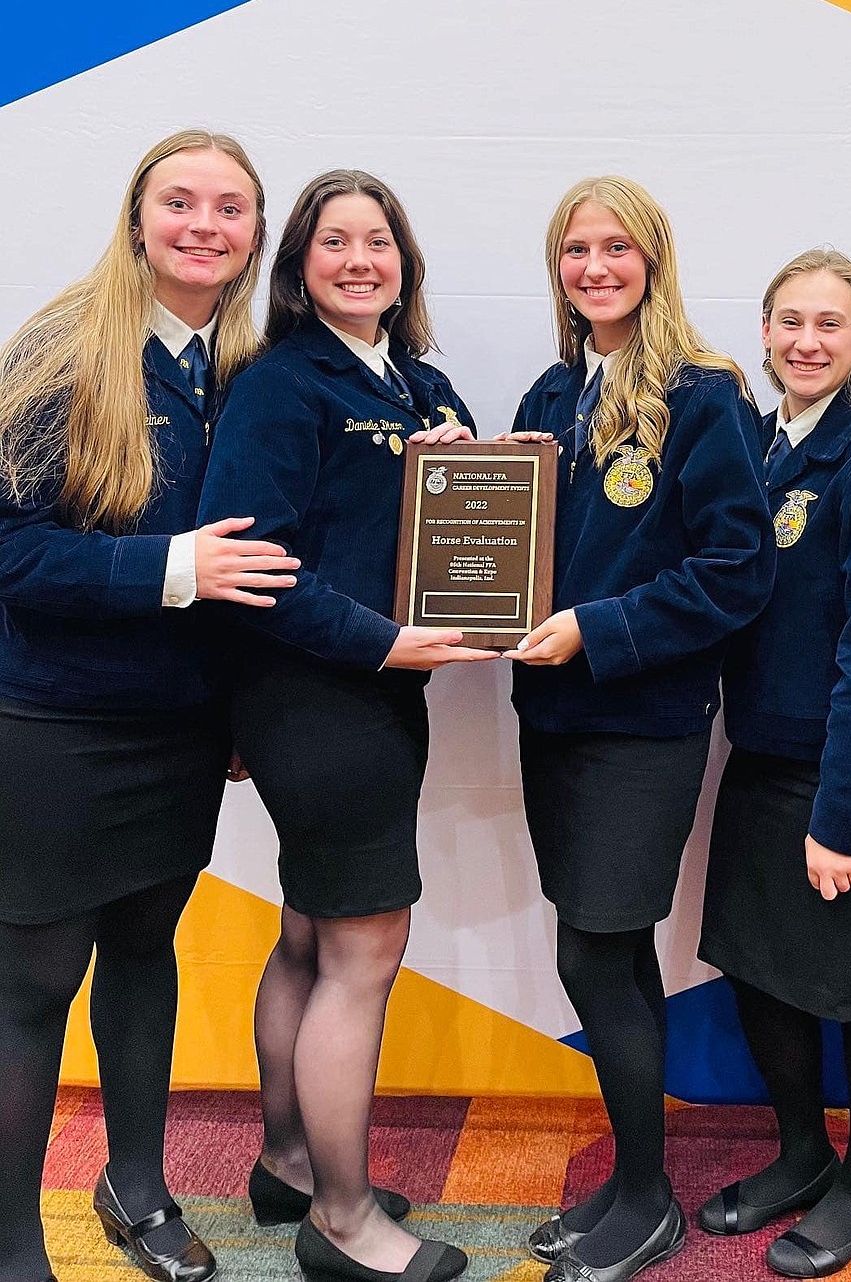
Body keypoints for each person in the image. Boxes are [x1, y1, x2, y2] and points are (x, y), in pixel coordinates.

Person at [0, 130, 299, 1282]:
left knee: (143, 948)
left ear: (254, 235)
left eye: (230, 208)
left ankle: (135, 1184)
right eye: (181, 202)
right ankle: (14, 1236)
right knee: (29, 987)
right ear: (138, 218)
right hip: (54, 729)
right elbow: (12, 549)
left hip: (181, 733)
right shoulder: (64, 346)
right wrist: (171, 567)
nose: (203, 226)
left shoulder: (251, 364)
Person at [197, 169, 495, 1282]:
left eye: (379, 240)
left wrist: (478, 469)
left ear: (404, 260)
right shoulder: (283, 384)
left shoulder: (419, 383)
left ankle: (285, 1160)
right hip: (316, 699)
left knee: (312, 936)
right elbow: (253, 566)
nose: (360, 258)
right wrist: (380, 641)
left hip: (370, 700)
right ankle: (342, 1214)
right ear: (299, 264)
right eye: (336, 242)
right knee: (364, 951)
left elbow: (465, 522)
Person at [502, 175, 775, 1282]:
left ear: (652, 259)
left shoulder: (701, 395)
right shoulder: (548, 392)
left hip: (642, 722)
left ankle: (650, 1196)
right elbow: (511, 545)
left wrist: (597, 627)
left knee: (597, 949)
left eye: (618, 246)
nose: (596, 266)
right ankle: (632, 1179)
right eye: (577, 248)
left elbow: (738, 569)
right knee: (596, 950)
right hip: (552, 715)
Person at [697, 249, 851, 1278]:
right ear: (762, 332)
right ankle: (802, 1150)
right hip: (761, 761)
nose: (806, 341)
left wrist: (844, 817)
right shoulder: (756, 447)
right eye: (788, 320)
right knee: (763, 970)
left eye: (829, 324)